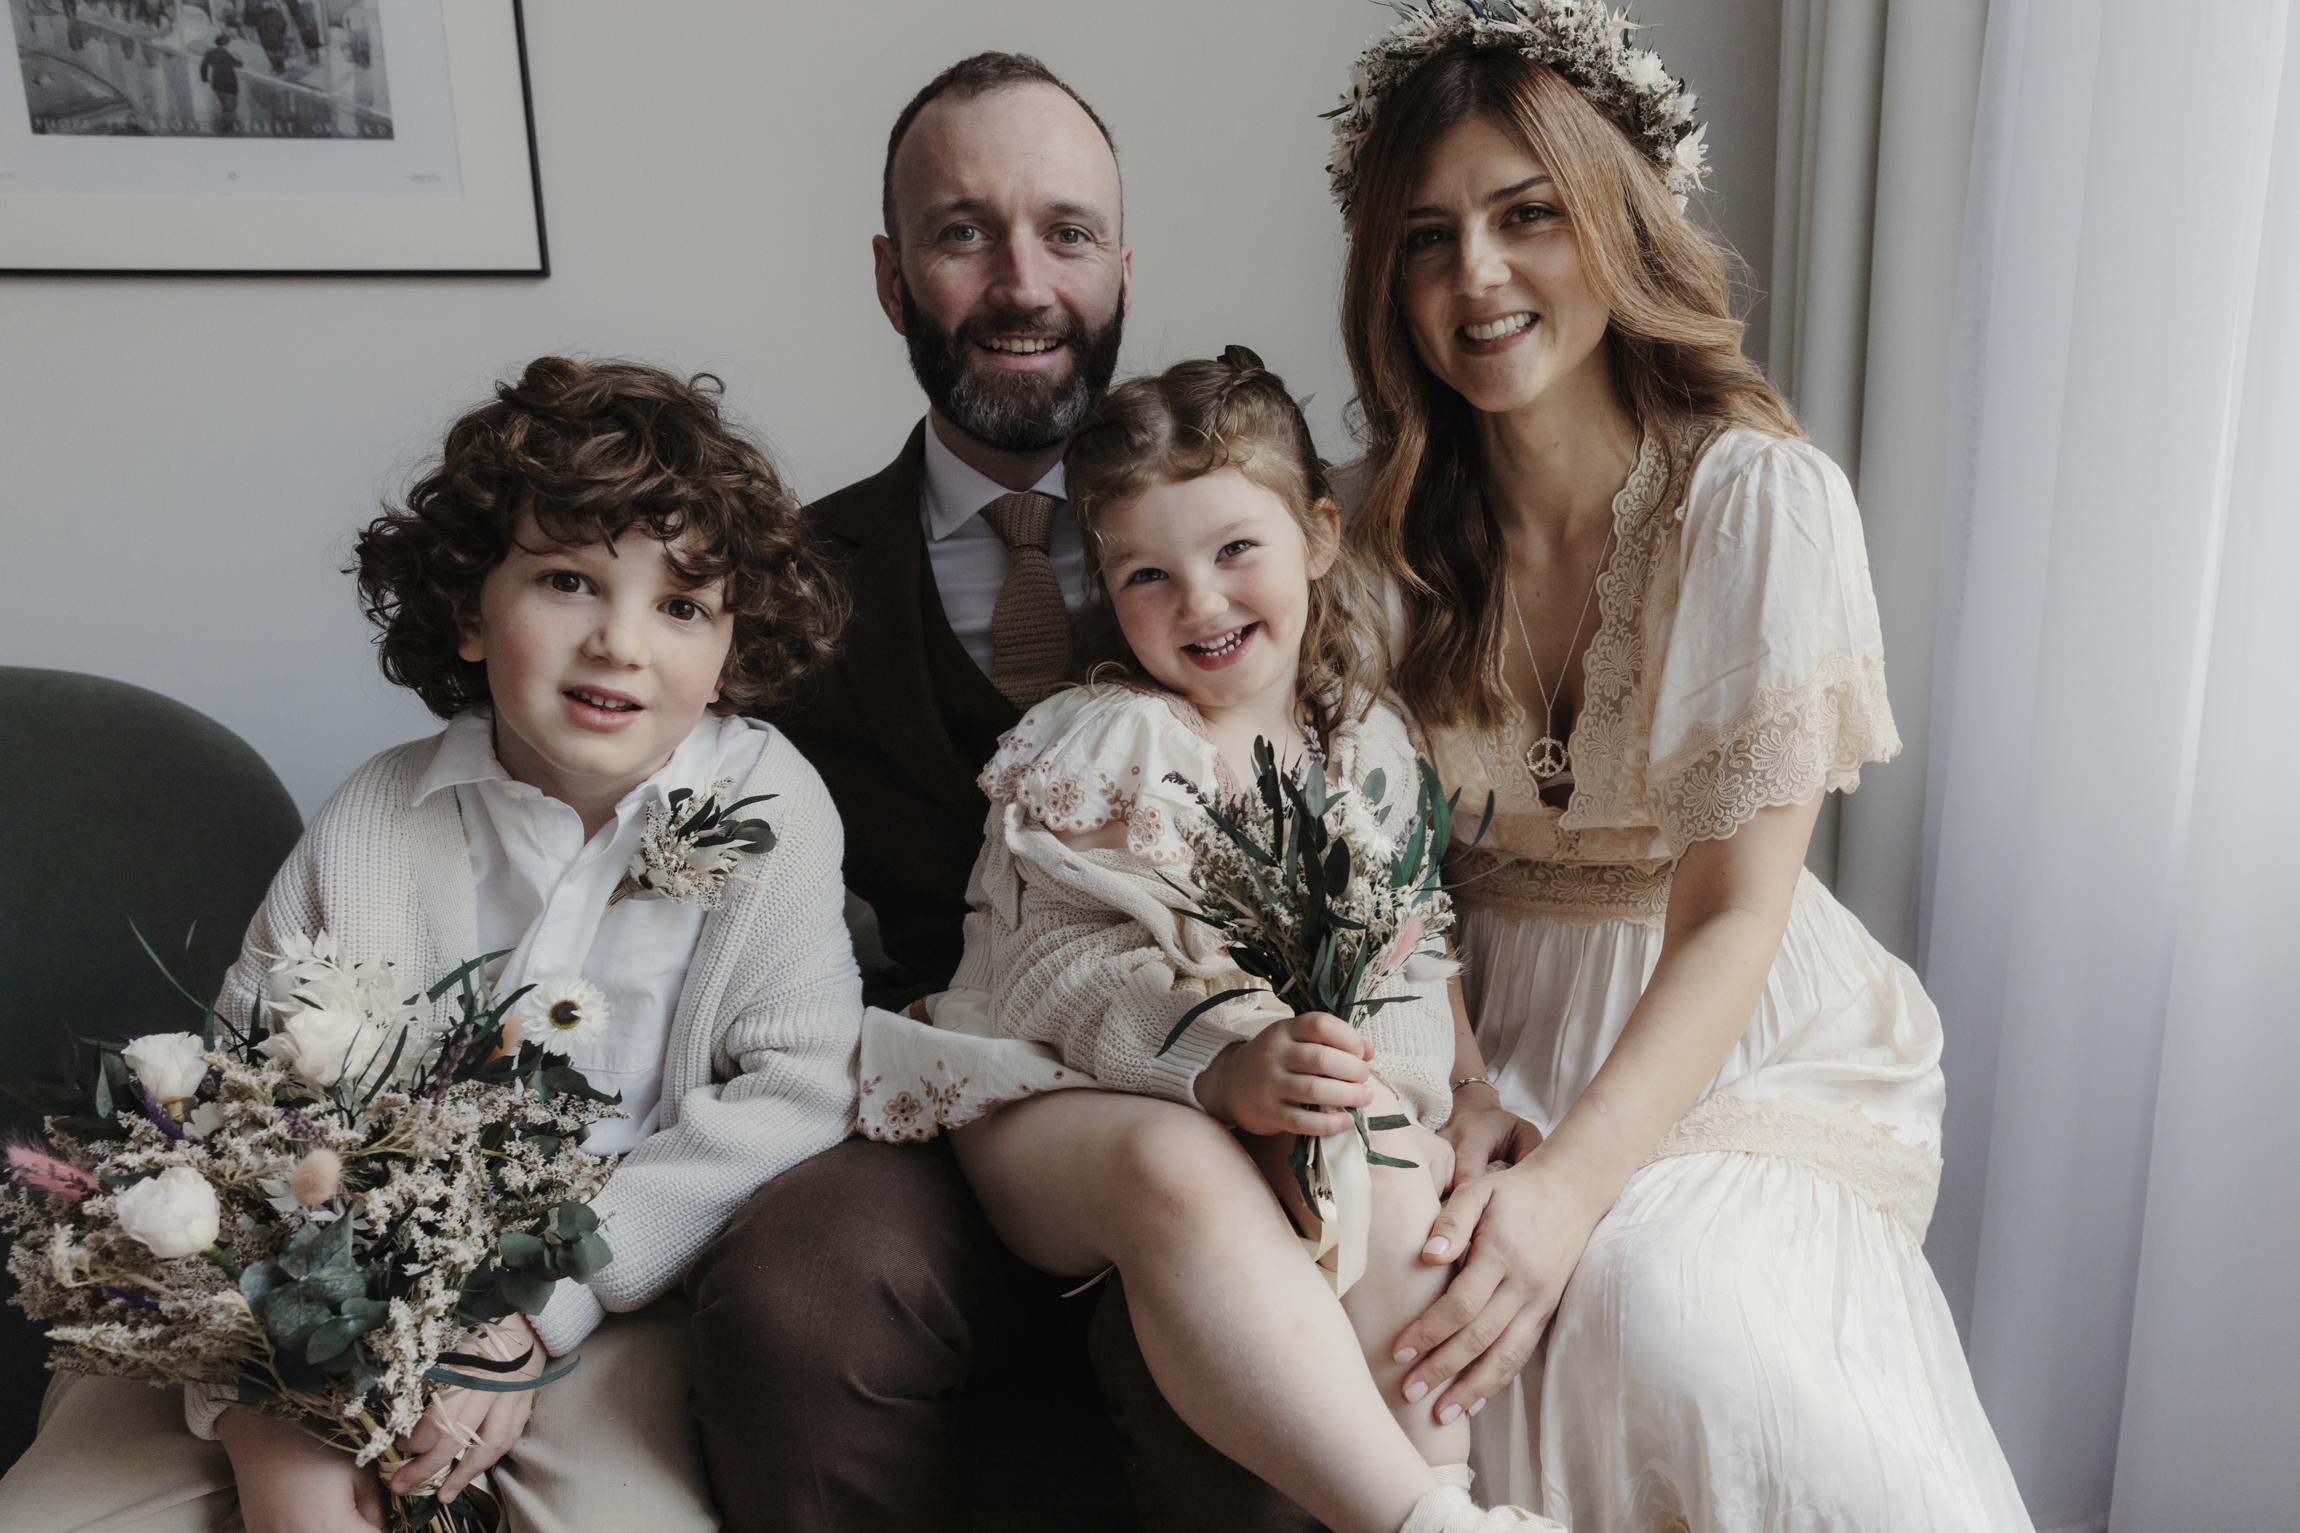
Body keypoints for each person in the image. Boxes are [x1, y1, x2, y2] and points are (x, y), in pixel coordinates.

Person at [1323, 13, 2035, 1529]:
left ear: (1616, 218)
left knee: (1666, 1311)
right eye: (1428, 236)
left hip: (1730, 1023)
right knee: (1451, 1328)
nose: (1478, 278)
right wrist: (1451, 1088)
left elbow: (1731, 913)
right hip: (1472, 1027)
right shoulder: (1360, 540)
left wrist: (1568, 1192)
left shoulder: (1756, 499)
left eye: (1528, 216)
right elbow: (1383, 868)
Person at [0, 357, 861, 1533]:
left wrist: (528, 1318)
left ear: (729, 643)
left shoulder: (771, 807)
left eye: (681, 606)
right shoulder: (377, 818)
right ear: (467, 610)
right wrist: (273, 1416)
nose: (621, 645)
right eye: (568, 581)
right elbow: (245, 1123)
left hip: (600, 1310)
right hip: (301, 1296)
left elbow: (795, 1092)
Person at [685, 52, 1318, 1533]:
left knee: (1249, 1308)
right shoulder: (773, 578)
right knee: (795, 1296)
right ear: (895, 278)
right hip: (916, 1110)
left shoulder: (1261, 554)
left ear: (1124, 271)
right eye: (965, 232)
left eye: (1068, 233)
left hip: (1229, 1093)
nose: (1022, 281)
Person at [853, 352, 1562, 1533]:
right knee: (1175, 1170)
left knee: (1392, 1172)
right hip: (1059, 1096)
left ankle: (1445, 1497)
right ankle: (1421, 1524)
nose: (1199, 602)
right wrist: (1222, 1069)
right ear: (1103, 586)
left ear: (1319, 538)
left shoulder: (1370, 745)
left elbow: (1406, 946)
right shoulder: (1101, 742)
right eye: (1147, 573)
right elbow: (1055, 976)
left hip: (1274, 1100)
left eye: (1235, 550)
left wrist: (1441, 1095)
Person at [199, 32, 240, 133]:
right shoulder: (229, 55)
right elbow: (239, 64)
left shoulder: (210, 53)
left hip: (217, 84)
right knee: (229, 109)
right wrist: (237, 57)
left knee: (224, 106)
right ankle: (226, 130)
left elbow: (203, 66)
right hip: (230, 84)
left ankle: (223, 126)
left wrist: (204, 79)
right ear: (227, 44)